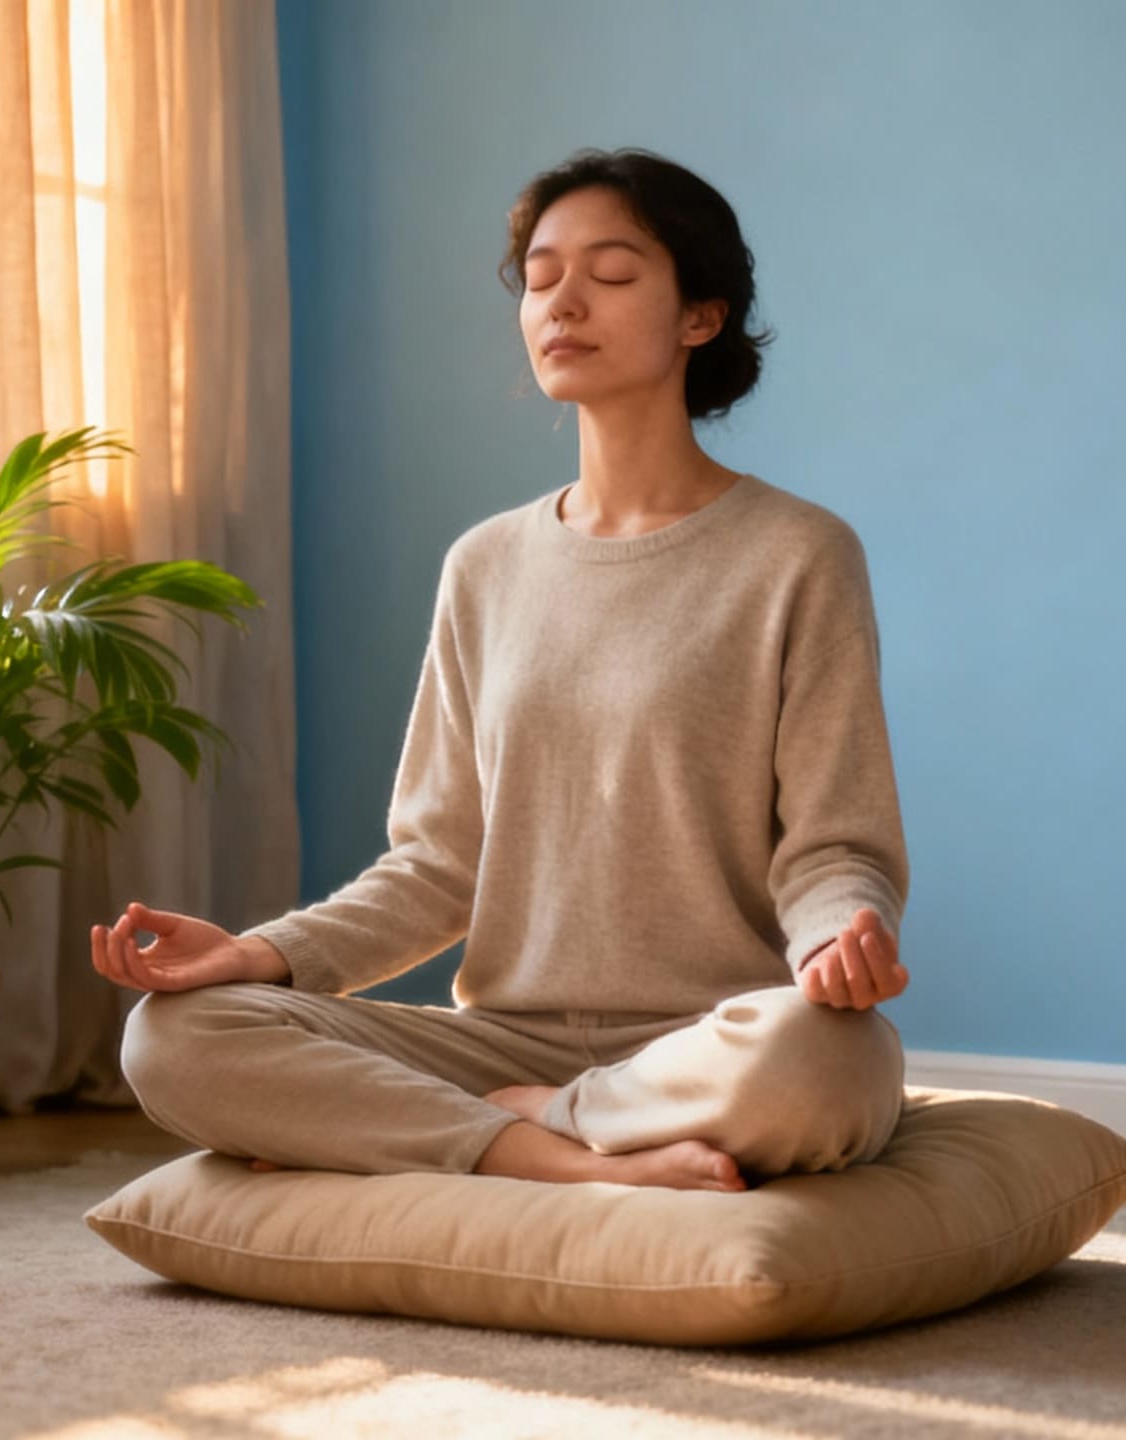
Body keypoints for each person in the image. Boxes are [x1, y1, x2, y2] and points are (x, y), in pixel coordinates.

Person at [95, 148, 912, 1194]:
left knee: (830, 1063)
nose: (562, 302)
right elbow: (439, 866)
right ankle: (556, 1156)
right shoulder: (485, 565)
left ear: (698, 317)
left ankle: (531, 1126)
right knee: (174, 1037)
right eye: (538, 278)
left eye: (610, 275)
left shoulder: (797, 553)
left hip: (709, 1039)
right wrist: (261, 956)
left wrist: (840, 942)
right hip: (498, 1044)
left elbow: (833, 846)